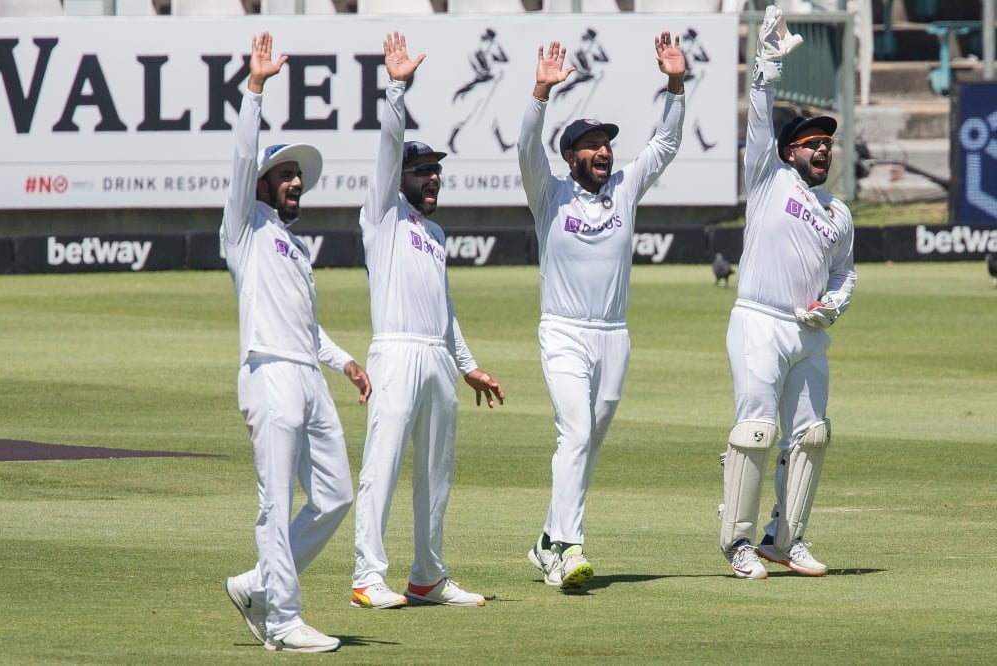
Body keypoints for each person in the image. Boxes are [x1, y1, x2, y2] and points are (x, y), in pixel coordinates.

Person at [518, 32, 686, 591]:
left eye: (607, 144)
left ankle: (547, 540)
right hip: (563, 331)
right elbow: (526, 148)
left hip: (614, 335)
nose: (603, 152)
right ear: (571, 157)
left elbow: (665, 145)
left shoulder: (625, 188)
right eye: (590, 145)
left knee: (587, 444)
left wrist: (676, 84)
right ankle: (570, 547)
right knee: (575, 432)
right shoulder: (549, 194)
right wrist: (540, 94)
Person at [220, 32, 371, 652]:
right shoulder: (242, 227)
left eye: (297, 177)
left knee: (335, 495)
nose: (294, 183)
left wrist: (343, 361)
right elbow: (241, 158)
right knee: (276, 501)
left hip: (307, 373)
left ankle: (258, 585)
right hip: (269, 372)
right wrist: (254, 89)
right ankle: (282, 620)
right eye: (283, 175)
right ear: (260, 185)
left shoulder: (293, 244)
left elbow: (305, 325)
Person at [350, 31, 506, 610]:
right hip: (395, 352)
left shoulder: (435, 233)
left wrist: (467, 365)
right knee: (383, 464)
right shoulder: (381, 216)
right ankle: (367, 577)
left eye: (436, 171)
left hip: (437, 358)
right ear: (399, 179)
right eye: (421, 171)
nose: (432, 177)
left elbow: (445, 307)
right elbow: (389, 146)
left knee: (436, 473)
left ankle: (427, 576)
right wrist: (396, 89)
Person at [718, 5, 856, 580]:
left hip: (809, 333)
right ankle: (737, 542)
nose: (822, 149)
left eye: (827, 143)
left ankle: (785, 538)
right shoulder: (767, 178)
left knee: (812, 435)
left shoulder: (839, 213)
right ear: (789, 151)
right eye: (811, 142)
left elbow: (844, 274)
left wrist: (833, 307)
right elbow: (758, 116)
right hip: (758, 320)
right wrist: (766, 66)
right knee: (756, 430)